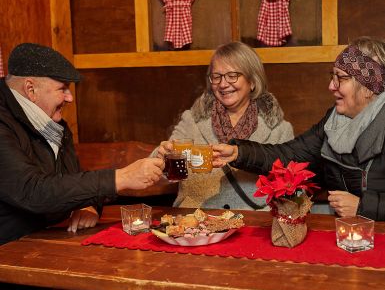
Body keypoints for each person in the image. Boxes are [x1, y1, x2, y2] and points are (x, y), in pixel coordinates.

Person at [0, 42, 164, 244]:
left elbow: (75, 179)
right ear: (30, 89)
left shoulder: (51, 122)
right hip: (10, 251)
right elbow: (32, 192)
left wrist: (89, 206)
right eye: (62, 88)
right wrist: (122, 177)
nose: (69, 98)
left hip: (51, 239)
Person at [213, 36, 385, 220]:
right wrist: (239, 152)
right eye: (332, 77)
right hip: (348, 234)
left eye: (341, 78)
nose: (331, 86)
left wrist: (362, 207)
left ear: (368, 87)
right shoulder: (334, 121)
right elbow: (290, 156)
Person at [154, 41, 293, 210]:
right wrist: (162, 158)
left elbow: (289, 190)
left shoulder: (279, 130)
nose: (223, 84)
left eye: (232, 75)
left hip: (254, 226)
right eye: (217, 76)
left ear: (252, 81)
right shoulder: (192, 120)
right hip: (197, 225)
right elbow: (161, 171)